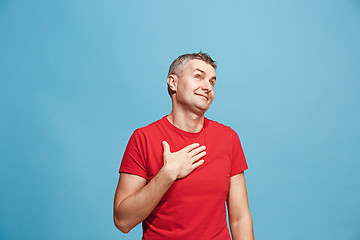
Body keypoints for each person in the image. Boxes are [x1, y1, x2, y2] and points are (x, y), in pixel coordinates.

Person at [113, 52, 254, 240]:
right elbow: (123, 221)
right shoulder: (143, 138)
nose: (207, 87)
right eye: (198, 77)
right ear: (173, 82)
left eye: (212, 82)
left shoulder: (228, 138)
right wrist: (167, 174)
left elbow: (239, 218)